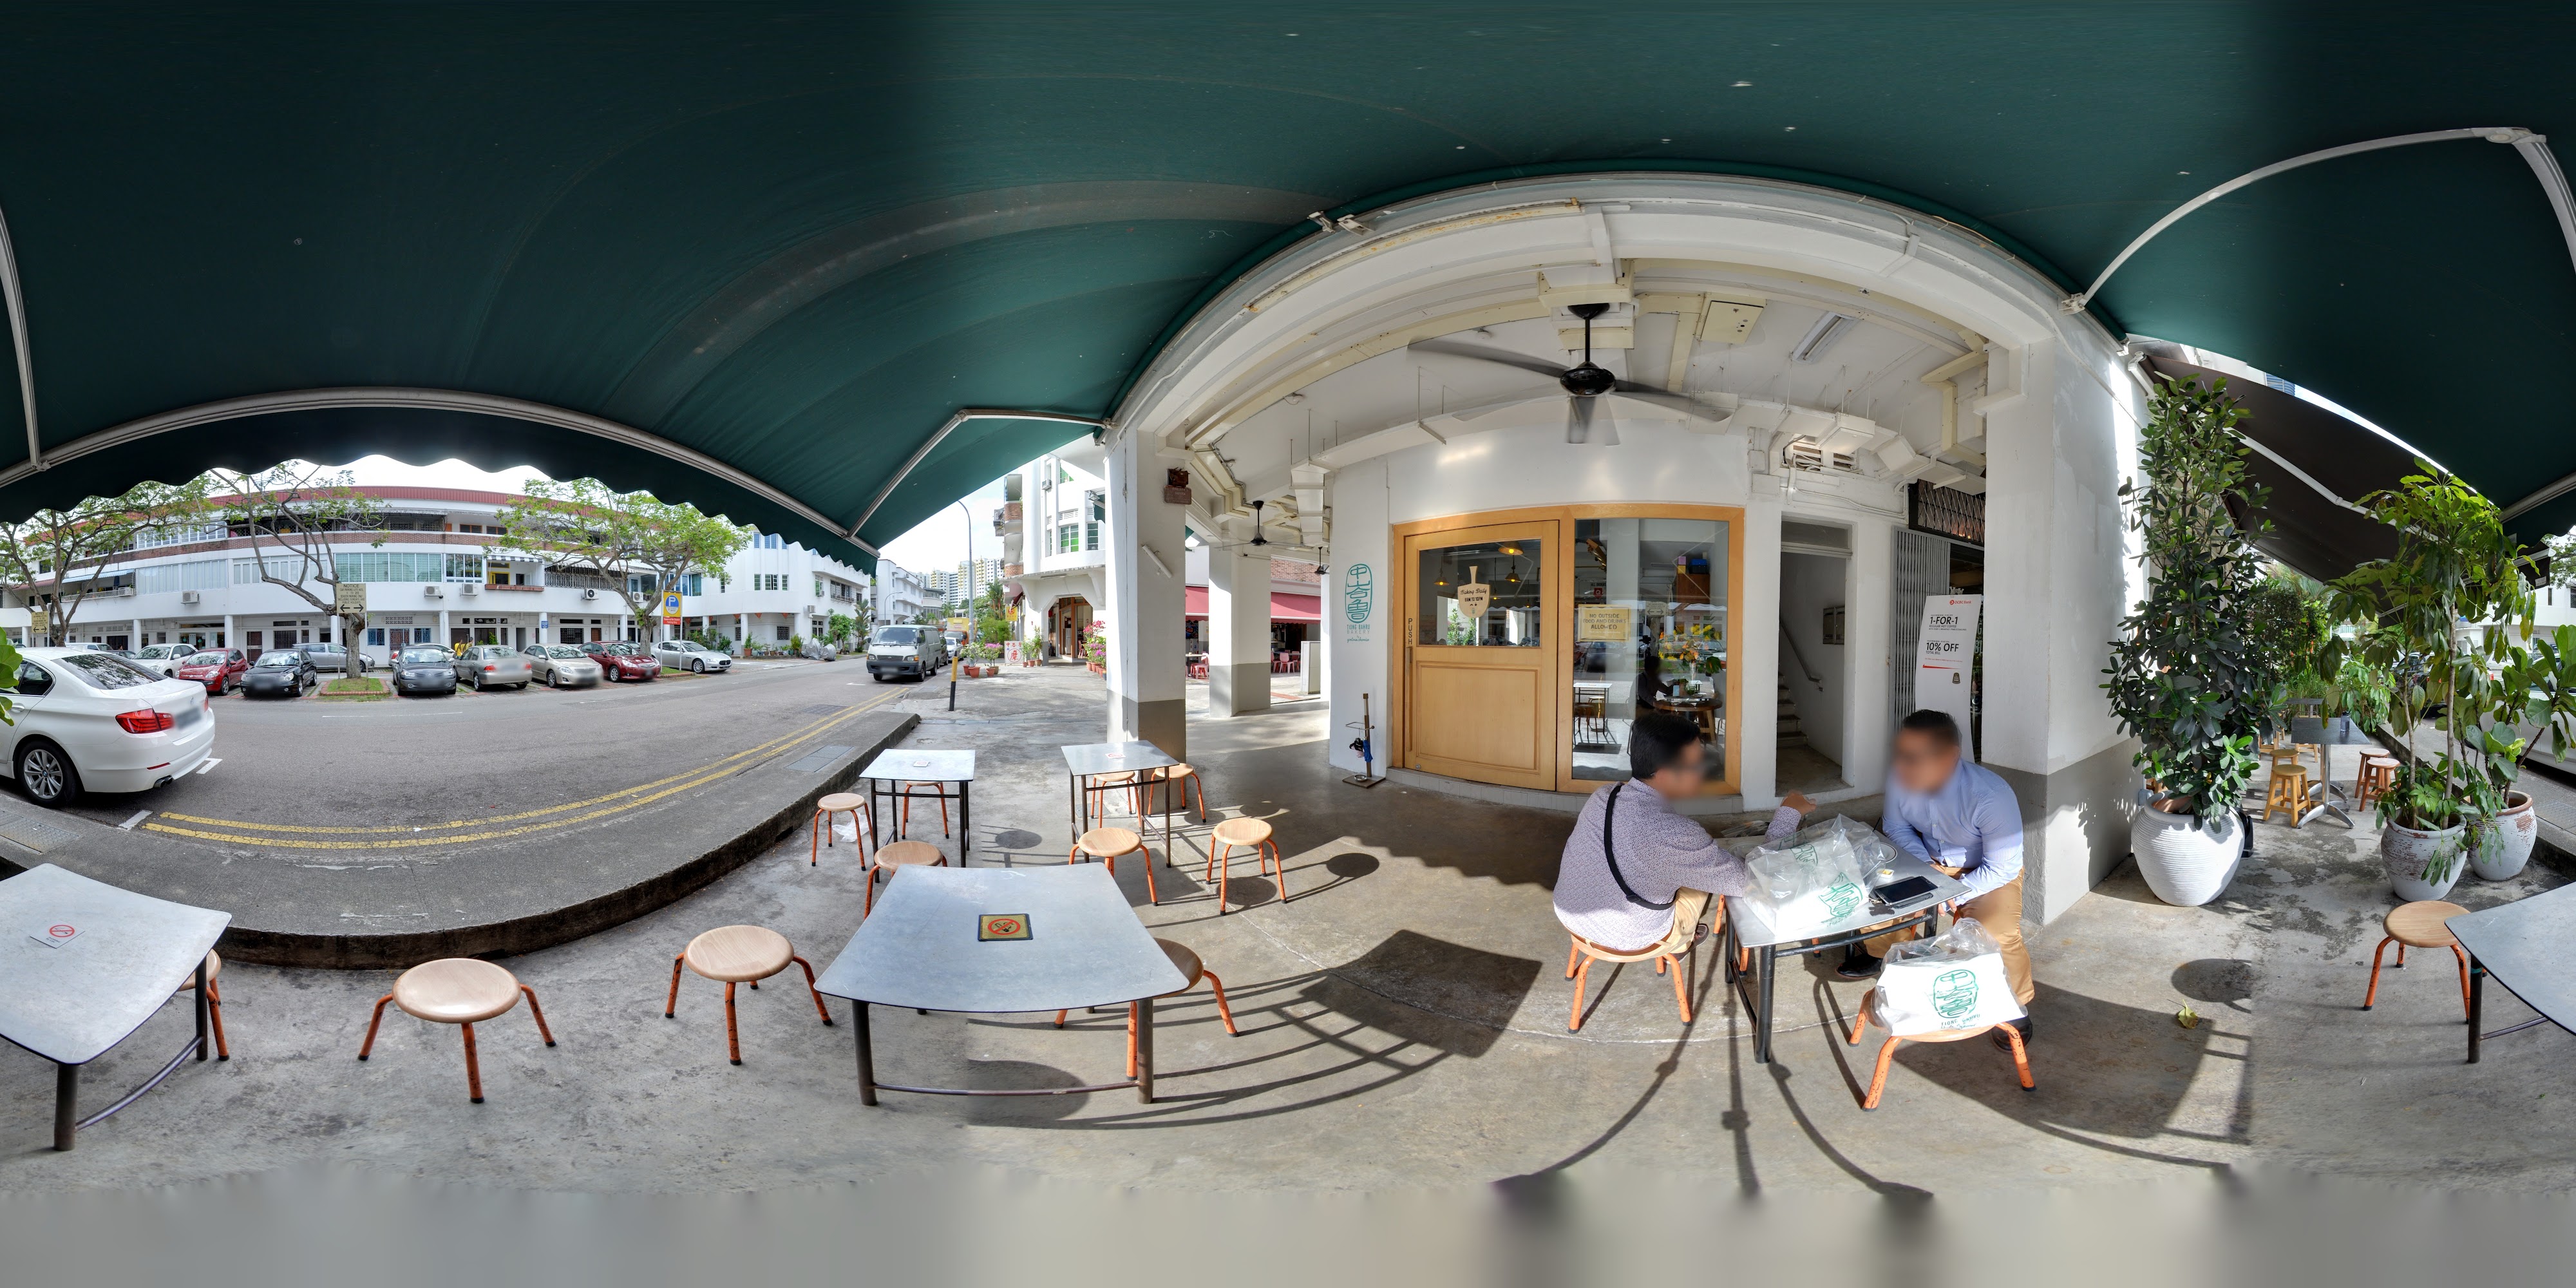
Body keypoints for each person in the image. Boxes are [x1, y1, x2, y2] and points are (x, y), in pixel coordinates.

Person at [1837, 709, 2034, 1050]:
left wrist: (1950, 894)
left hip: (1986, 874)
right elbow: (1897, 828)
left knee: (1997, 931)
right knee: (1880, 903)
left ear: (1950, 757)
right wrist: (1928, 870)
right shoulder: (1901, 778)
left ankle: (2012, 1004)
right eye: (1900, 754)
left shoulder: (1990, 796)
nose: (1902, 766)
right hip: (1930, 863)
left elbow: (2002, 867)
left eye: (1914, 758)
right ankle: (1882, 953)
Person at [1555, 714, 1810, 954]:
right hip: (1628, 936)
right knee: (1703, 883)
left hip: (1569, 915)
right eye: (1698, 765)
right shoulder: (1677, 835)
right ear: (1665, 774)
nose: (1705, 771)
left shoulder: (1605, 795)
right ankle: (1680, 944)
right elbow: (1755, 882)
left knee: (1686, 868)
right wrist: (1788, 815)